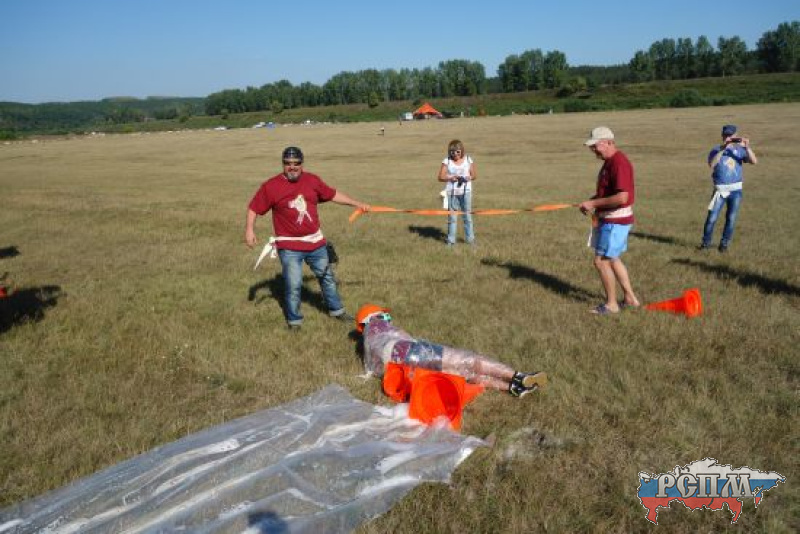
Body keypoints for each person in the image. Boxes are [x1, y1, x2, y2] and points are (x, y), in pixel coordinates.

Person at [245, 146, 370, 329]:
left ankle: (337, 311)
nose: (292, 167)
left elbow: (333, 194)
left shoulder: (312, 180)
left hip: (315, 244)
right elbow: (254, 207)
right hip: (290, 247)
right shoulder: (271, 186)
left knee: (327, 278)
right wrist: (249, 230)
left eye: (296, 163)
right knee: (294, 284)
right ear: (283, 164)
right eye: (287, 163)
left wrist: (357, 204)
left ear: (302, 164)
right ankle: (294, 322)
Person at [355, 304, 547, 398]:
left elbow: (375, 368)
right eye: (386, 315)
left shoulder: (367, 345)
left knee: (461, 376)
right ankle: (518, 376)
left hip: (395, 370)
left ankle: (512, 388)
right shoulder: (378, 323)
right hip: (405, 350)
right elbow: (406, 340)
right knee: (468, 361)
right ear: (376, 316)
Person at [578, 127, 640, 315]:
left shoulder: (619, 163)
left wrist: (593, 203)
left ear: (609, 142)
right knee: (612, 259)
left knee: (601, 261)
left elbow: (622, 197)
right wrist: (592, 201)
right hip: (609, 219)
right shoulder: (609, 162)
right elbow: (609, 192)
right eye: (591, 147)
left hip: (615, 221)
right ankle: (630, 299)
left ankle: (611, 305)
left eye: (595, 146)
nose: (593, 150)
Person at [699, 124, 758, 253]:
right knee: (712, 218)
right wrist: (723, 149)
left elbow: (754, 161)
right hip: (720, 191)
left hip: (736, 191)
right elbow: (712, 164)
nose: (728, 137)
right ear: (722, 136)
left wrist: (747, 147)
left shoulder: (740, 150)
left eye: (731, 135)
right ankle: (705, 244)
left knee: (731, 219)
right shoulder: (716, 150)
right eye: (726, 135)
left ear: (736, 136)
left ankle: (724, 245)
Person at [437, 140, 477, 246]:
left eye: (458, 151)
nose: (455, 154)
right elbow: (440, 177)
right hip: (452, 193)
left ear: (462, 150)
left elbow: (474, 175)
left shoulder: (468, 159)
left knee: (467, 217)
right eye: (452, 152)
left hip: (466, 192)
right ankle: (451, 242)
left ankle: (471, 240)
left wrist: (468, 178)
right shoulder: (447, 161)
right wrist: (451, 178)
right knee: (452, 218)